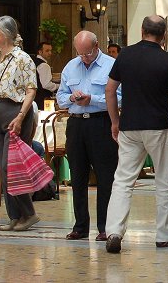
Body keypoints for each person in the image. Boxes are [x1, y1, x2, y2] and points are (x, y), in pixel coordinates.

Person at [104, 15, 168, 253]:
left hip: (129, 126)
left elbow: (110, 90)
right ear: (163, 35)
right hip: (159, 126)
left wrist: (114, 121)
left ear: (141, 30)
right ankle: (164, 234)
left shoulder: (125, 55)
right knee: (163, 180)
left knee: (123, 180)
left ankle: (114, 231)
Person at [57, 31, 120, 242]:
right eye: (80, 53)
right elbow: (61, 98)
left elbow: (120, 99)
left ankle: (105, 226)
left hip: (101, 122)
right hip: (76, 125)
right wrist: (72, 98)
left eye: (88, 53)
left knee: (105, 176)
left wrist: (92, 99)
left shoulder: (111, 65)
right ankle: (80, 226)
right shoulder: (70, 66)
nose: (84, 57)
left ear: (97, 46)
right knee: (78, 176)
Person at [0, 16, 39, 232]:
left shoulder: (23, 59)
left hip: (15, 113)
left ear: (4, 34)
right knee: (4, 168)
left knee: (10, 166)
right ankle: (14, 215)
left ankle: (29, 213)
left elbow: (31, 90)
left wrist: (21, 116)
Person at [33, 42, 59, 111]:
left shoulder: (33, 62)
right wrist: (59, 86)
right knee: (47, 119)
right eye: (47, 51)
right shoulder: (44, 65)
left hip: (34, 99)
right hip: (43, 100)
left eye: (50, 50)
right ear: (40, 52)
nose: (50, 53)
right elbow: (46, 85)